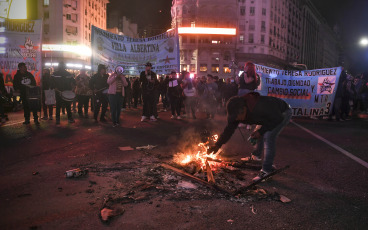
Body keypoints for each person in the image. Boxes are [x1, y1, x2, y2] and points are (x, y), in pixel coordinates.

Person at [208, 92, 292, 182]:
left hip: (282, 113)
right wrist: (217, 145)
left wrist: (261, 131)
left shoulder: (260, 107)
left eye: (237, 117)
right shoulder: (236, 113)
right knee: (259, 132)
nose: (236, 119)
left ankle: (266, 170)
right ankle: (256, 156)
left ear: (244, 110)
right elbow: (228, 130)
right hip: (267, 117)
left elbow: (277, 118)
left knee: (268, 137)